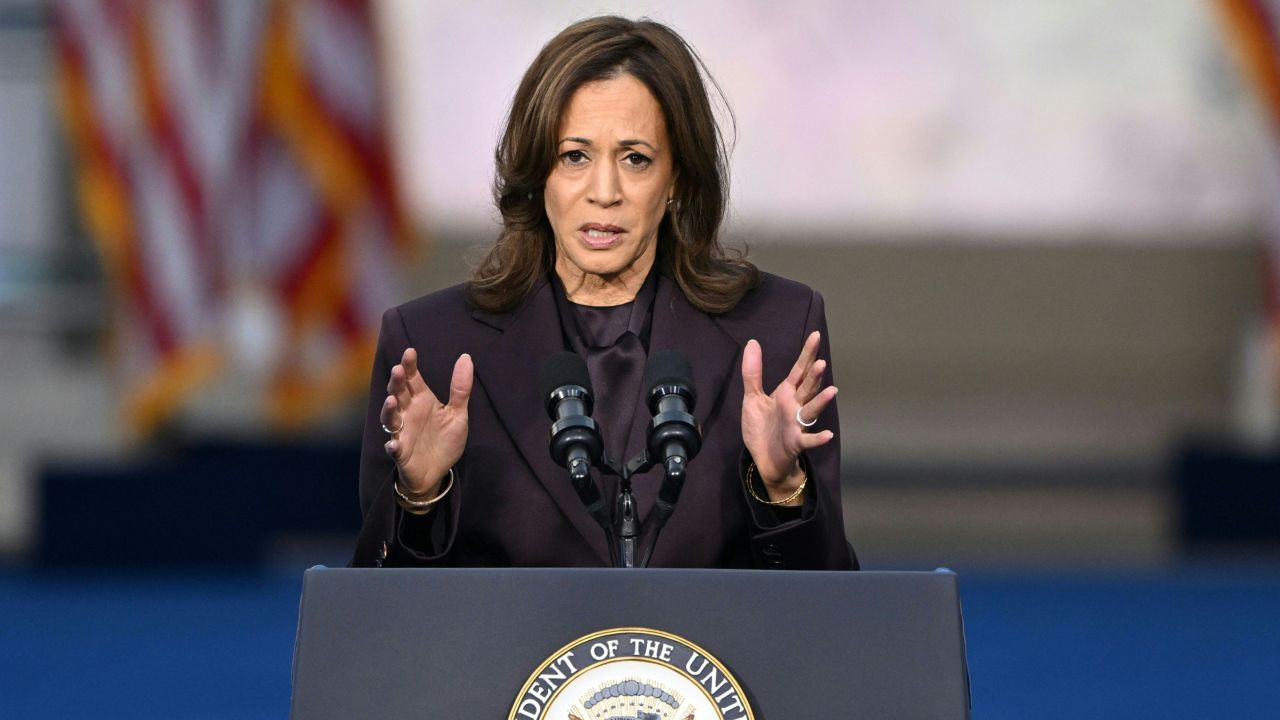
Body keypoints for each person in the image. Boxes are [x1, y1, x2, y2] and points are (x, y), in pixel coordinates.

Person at [351, 16, 857, 570]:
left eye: (635, 159)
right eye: (575, 156)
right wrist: (422, 500)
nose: (604, 192)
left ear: (678, 181)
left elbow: (829, 612)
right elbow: (385, 625)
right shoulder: (433, 346)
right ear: (536, 172)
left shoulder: (775, 333)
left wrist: (783, 490)